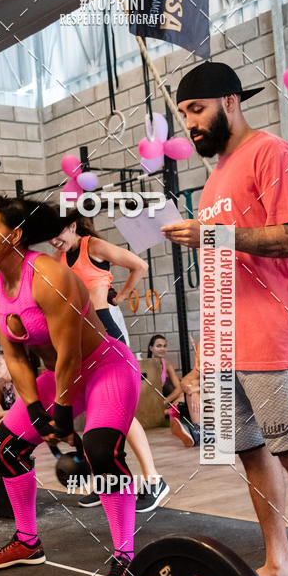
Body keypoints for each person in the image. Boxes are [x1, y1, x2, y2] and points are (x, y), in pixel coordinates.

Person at [162, 61, 288, 576]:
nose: (190, 125)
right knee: (249, 452)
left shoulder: (273, 155)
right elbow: (222, 259)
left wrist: (215, 234)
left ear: (230, 101)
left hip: (277, 335)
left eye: (196, 111)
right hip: (227, 340)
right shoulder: (217, 174)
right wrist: (205, 343)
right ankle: (280, 562)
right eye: (183, 117)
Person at [0, 194, 141, 576]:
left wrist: (63, 419)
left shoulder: (49, 276)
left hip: (105, 365)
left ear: (14, 236)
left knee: (101, 450)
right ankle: (28, 542)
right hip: (60, 374)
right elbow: (14, 356)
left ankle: (125, 558)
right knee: (7, 445)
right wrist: (35, 411)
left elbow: (69, 354)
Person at [49, 212, 169, 512]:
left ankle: (154, 480)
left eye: (58, 233)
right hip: (79, 336)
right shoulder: (59, 257)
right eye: (50, 236)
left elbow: (139, 265)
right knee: (97, 413)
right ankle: (107, 481)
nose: (55, 240)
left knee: (120, 413)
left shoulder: (95, 247)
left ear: (73, 226)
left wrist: (121, 296)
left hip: (105, 328)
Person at [147, 334, 180, 402]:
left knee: (182, 396)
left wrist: (165, 402)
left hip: (165, 402)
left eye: (164, 346)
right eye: (159, 346)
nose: (162, 349)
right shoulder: (145, 366)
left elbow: (179, 388)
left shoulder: (168, 366)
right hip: (151, 403)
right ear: (151, 348)